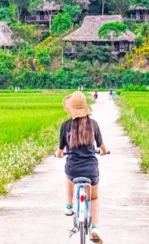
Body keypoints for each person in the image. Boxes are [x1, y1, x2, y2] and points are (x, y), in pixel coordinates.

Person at [56, 91, 108, 243]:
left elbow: (60, 149)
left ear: (70, 108)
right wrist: (104, 152)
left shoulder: (65, 126)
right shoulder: (93, 125)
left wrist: (58, 154)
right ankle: (94, 228)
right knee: (94, 197)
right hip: (91, 170)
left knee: (68, 175)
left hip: (73, 169)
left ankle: (68, 204)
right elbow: (102, 146)